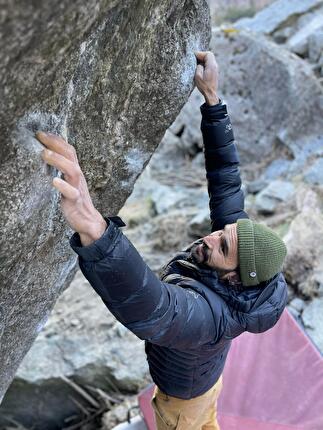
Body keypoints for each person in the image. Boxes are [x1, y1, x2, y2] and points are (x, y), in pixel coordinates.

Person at [36, 51, 288, 430]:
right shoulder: (244, 258)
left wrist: (94, 229)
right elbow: (227, 181)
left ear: (234, 278)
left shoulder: (207, 319)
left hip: (179, 402)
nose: (211, 236)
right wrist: (213, 102)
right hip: (207, 377)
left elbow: (154, 307)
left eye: (221, 247)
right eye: (223, 232)